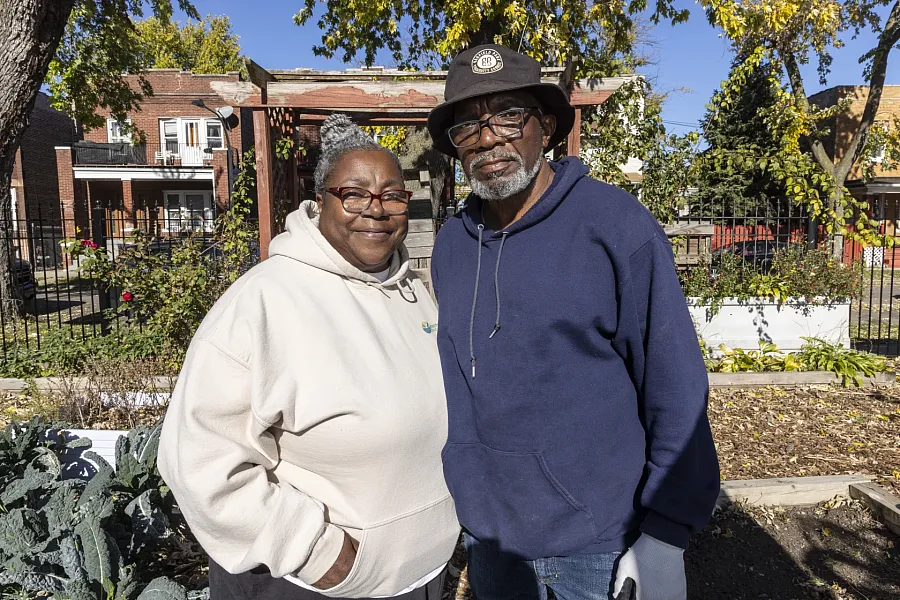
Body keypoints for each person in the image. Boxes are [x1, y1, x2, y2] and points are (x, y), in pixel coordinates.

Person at [426, 44, 720, 600]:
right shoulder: (451, 247)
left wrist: (665, 535)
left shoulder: (614, 226)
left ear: (547, 126)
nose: (488, 138)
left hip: (596, 545)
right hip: (491, 540)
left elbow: (675, 385)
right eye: (467, 125)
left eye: (509, 115)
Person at [158, 114, 459, 600]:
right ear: (321, 202)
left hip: (418, 577)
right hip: (310, 583)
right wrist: (316, 552)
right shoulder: (264, 302)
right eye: (355, 193)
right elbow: (197, 460)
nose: (376, 210)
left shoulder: (412, 293)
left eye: (393, 194)